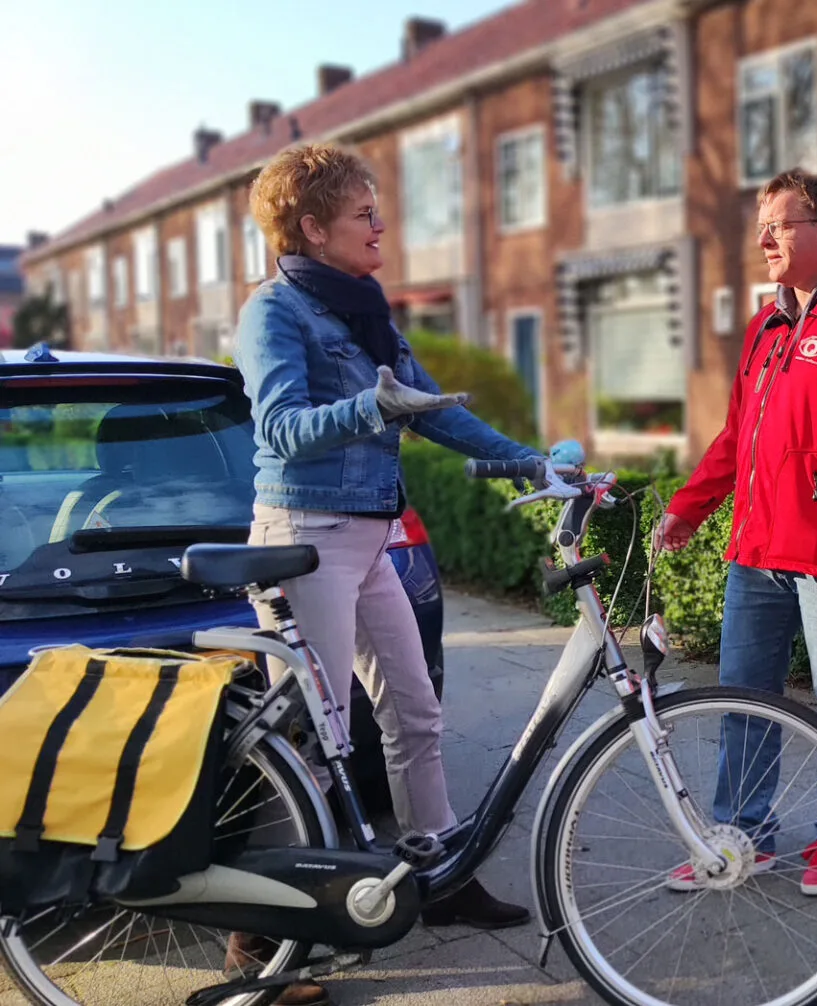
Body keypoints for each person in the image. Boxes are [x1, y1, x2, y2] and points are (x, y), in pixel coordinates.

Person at [232, 142, 538, 1004]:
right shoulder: (274, 312)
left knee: (414, 708)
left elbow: (434, 407)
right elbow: (283, 428)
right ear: (313, 225)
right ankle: (262, 938)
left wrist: (530, 462)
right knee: (311, 735)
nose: (381, 227)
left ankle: (438, 875)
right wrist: (374, 404)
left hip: (368, 535)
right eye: (365, 214)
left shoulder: (363, 308)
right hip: (305, 533)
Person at [655, 168, 817, 895]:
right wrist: (690, 506)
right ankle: (745, 835)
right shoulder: (766, 325)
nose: (765, 238)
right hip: (753, 554)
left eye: (781, 224)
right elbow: (739, 437)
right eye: (763, 225)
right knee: (740, 697)